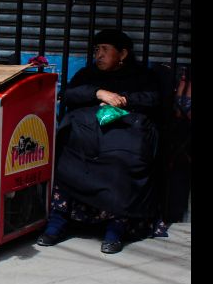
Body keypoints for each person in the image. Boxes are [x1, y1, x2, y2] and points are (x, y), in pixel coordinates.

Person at [37, 29, 162, 254]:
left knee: (121, 159)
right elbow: (67, 95)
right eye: (96, 50)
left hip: (125, 133)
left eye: (105, 50)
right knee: (68, 151)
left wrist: (122, 100)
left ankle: (115, 228)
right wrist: (98, 93)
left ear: (122, 54)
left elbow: (154, 99)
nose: (99, 55)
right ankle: (58, 221)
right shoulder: (88, 75)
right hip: (87, 135)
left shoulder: (143, 77)